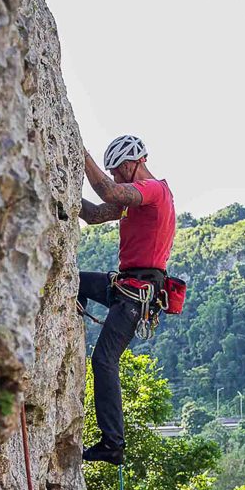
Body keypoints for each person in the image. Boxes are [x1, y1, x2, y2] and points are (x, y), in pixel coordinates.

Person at [78, 135, 176, 464]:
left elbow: (109, 192)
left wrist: (81, 154)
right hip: (124, 286)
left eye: (119, 171)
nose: (117, 177)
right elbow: (93, 214)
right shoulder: (134, 200)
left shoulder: (154, 190)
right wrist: (59, 193)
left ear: (133, 164)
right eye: (114, 173)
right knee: (74, 282)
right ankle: (74, 313)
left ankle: (112, 444)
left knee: (104, 360)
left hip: (136, 295)